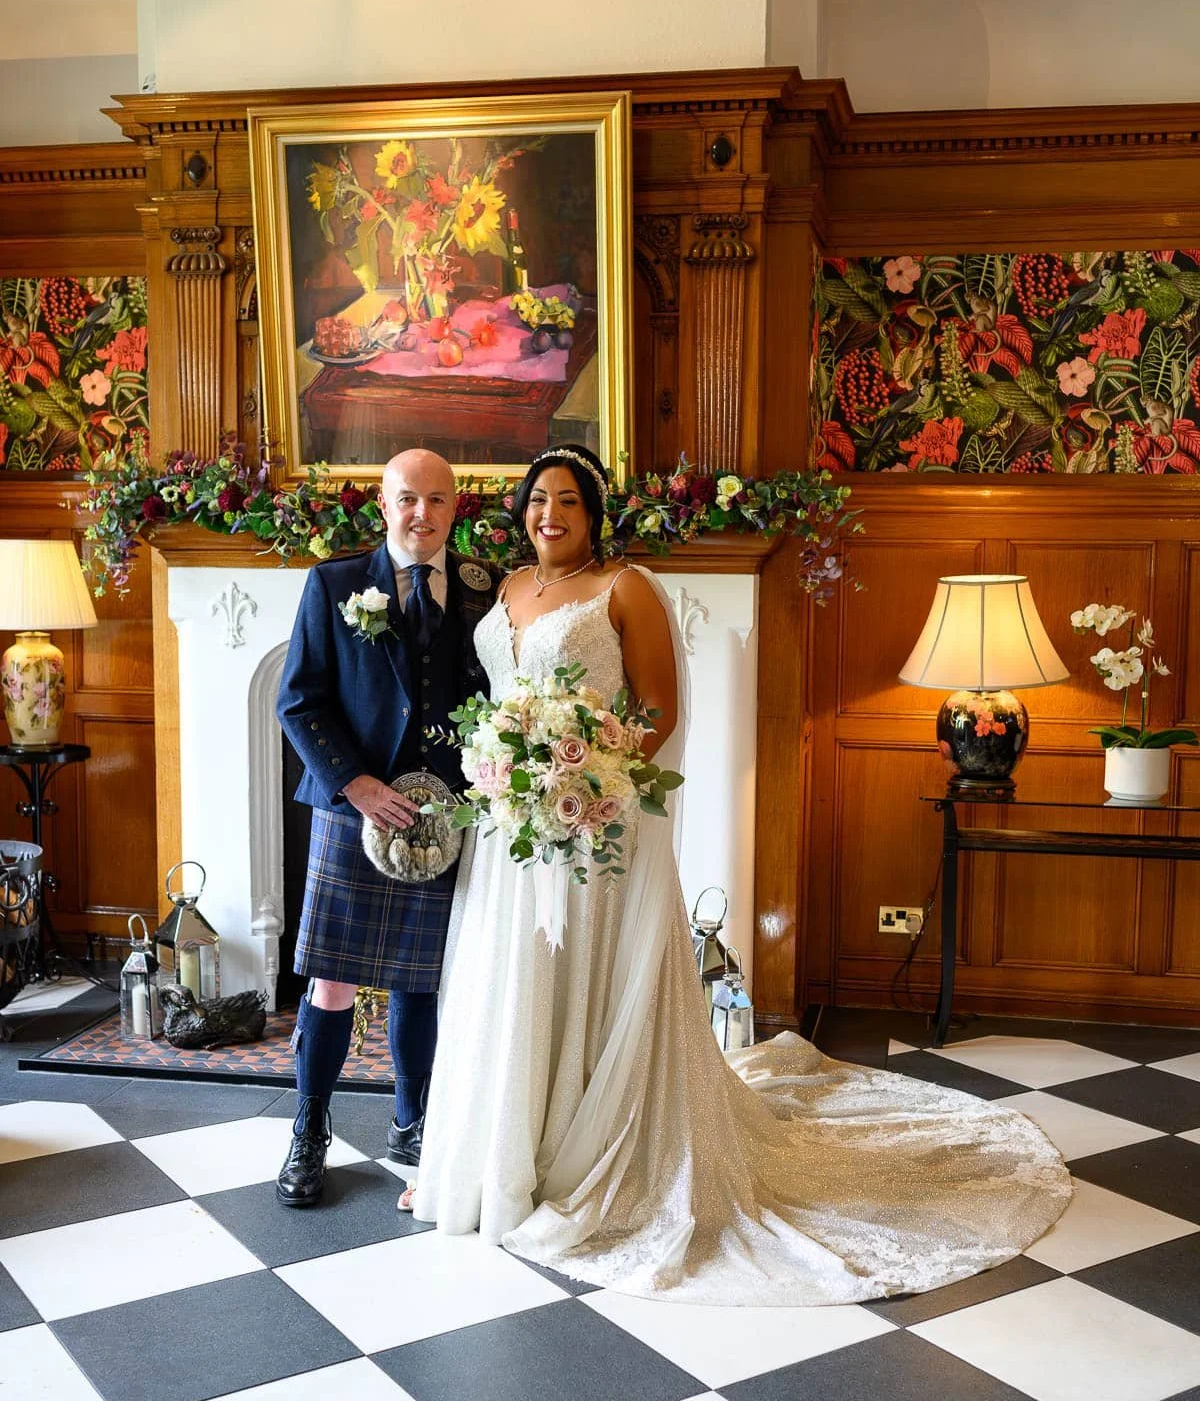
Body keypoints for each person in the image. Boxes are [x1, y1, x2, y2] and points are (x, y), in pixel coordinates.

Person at [407, 443, 1072, 1305]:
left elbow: (659, 709)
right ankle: (503, 1154)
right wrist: (513, 778)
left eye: (568, 501)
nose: (549, 516)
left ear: (595, 514)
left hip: (596, 824)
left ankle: (597, 1149)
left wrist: (590, 783)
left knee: (587, 978)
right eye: (538, 501)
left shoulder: (627, 588)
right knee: (516, 979)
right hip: (514, 833)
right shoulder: (504, 590)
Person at [274, 447, 502, 1207]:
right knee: (333, 980)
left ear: (455, 508)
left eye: (438, 500)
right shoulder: (335, 583)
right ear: (383, 503)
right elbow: (298, 702)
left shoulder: (485, 589)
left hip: (442, 820)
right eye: (408, 498)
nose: (422, 515)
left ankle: (414, 1124)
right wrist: (356, 783)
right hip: (354, 811)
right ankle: (309, 1127)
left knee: (421, 981)